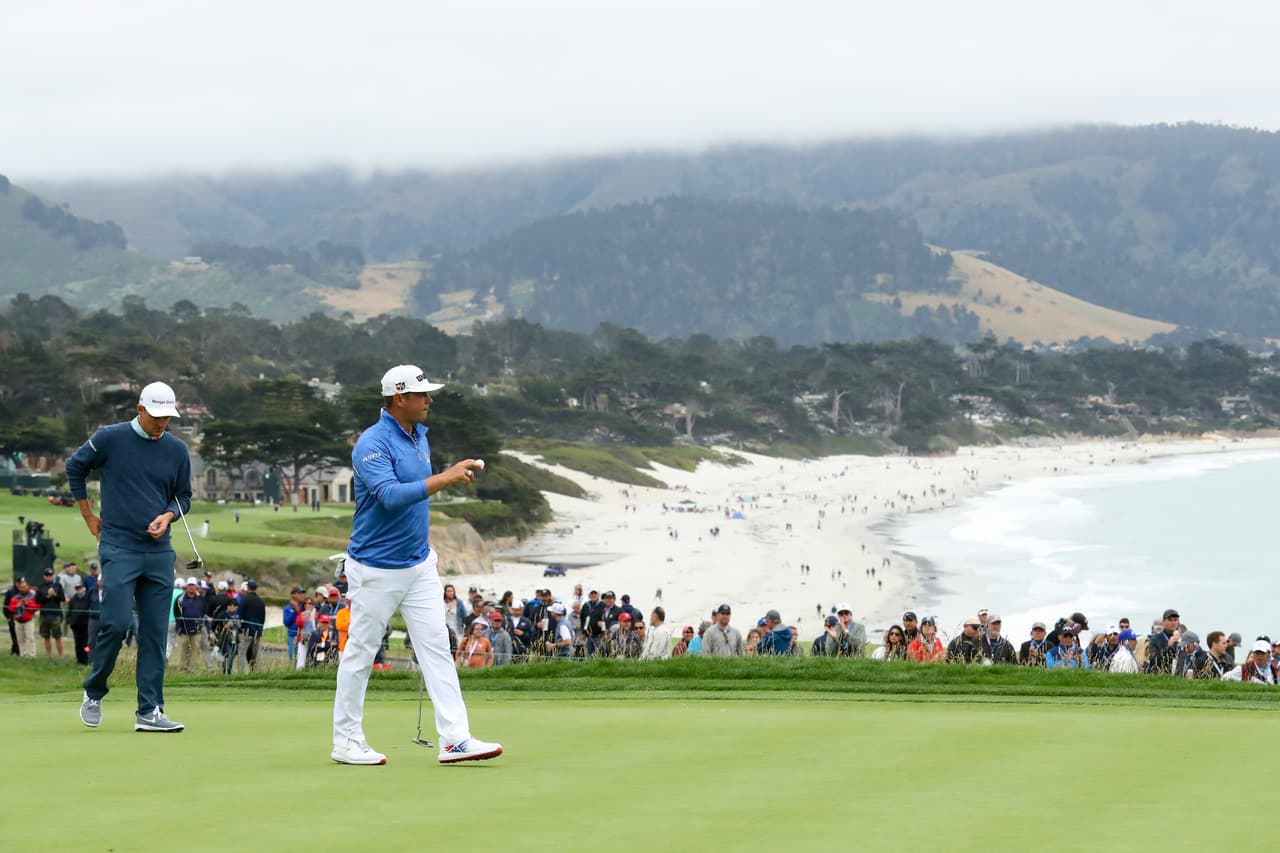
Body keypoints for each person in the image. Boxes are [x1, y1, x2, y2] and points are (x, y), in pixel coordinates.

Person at [331, 365, 501, 766]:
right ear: (400, 398)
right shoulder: (372, 443)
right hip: (376, 567)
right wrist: (447, 476)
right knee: (361, 651)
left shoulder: (418, 436)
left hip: (419, 563)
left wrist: (447, 474)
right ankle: (346, 740)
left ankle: (456, 739)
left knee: (437, 648)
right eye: (422, 394)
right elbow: (390, 496)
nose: (429, 400)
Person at [67, 380, 191, 732]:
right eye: (156, 417)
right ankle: (94, 691)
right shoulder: (110, 437)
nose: (162, 423)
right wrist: (89, 515)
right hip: (119, 546)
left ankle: (149, 710)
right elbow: (75, 467)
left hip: (159, 551)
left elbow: (183, 496)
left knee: (154, 632)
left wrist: (168, 516)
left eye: (167, 417)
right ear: (140, 410)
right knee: (117, 623)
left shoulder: (177, 450)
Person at [172, 577, 207, 673]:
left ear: (196, 587)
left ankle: (194, 670)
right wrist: (179, 625)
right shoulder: (180, 598)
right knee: (184, 651)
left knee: (196, 651)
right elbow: (176, 612)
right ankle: (183, 669)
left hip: (197, 630)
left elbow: (204, 610)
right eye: (190, 585)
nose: (191, 587)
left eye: (193, 585)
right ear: (187, 586)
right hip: (184, 630)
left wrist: (200, 621)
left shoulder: (201, 599)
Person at [37, 568, 66, 659]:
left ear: (53, 576)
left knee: (57, 636)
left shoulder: (58, 585)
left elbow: (62, 598)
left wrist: (55, 595)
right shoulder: (41, 587)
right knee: (46, 636)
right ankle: (49, 656)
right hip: (44, 614)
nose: (49, 577)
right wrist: (48, 596)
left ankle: (61, 656)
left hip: (55, 614)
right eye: (47, 575)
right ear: (44, 576)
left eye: (50, 575)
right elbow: (38, 600)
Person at [6, 577, 39, 657]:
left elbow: (36, 606)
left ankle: (31, 655)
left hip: (28, 620)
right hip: (18, 621)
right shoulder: (16, 597)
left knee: (30, 638)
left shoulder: (32, 595)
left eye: (25, 587)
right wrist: (17, 606)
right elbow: (10, 607)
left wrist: (27, 604)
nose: (24, 588)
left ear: (27, 586)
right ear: (19, 588)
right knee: (20, 640)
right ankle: (22, 654)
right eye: (22, 587)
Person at [238, 580, 266, 671]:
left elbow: (240, 615)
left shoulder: (244, 600)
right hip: (257, 631)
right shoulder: (261, 601)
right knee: (255, 655)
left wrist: (241, 628)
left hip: (246, 631)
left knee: (242, 653)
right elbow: (263, 618)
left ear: (248, 588)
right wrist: (260, 629)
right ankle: (255, 672)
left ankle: (243, 672)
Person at [1144, 608, 1181, 674]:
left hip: (1177, 676)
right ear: (1163, 622)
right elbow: (1153, 661)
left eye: (1175, 620)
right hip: (1160, 675)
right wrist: (1168, 647)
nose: (1173, 623)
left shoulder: (1180, 638)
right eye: (1170, 620)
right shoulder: (1155, 639)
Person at [66, 582, 92, 664]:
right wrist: (69, 621)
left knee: (86, 644)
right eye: (77, 588)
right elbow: (69, 611)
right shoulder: (73, 600)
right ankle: (79, 659)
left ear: (83, 588)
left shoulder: (87, 599)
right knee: (78, 643)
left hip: (85, 624)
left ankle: (86, 659)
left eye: (80, 588)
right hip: (76, 625)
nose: (78, 590)